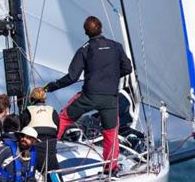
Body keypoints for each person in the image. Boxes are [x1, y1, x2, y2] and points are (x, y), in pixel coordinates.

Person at [45, 15, 133, 173]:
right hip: (110, 99)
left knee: (63, 118)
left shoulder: (84, 50)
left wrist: (51, 87)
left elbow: (72, 77)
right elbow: (127, 68)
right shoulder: (116, 46)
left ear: (86, 32)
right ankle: (111, 168)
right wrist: (111, 77)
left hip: (89, 96)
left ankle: (45, 153)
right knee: (111, 132)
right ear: (102, 28)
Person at [20, 87, 60, 182]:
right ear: (44, 99)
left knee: (30, 164)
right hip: (50, 144)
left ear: (31, 99)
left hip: (34, 144)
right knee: (52, 168)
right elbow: (57, 127)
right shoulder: (53, 111)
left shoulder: (27, 111)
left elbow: (22, 128)